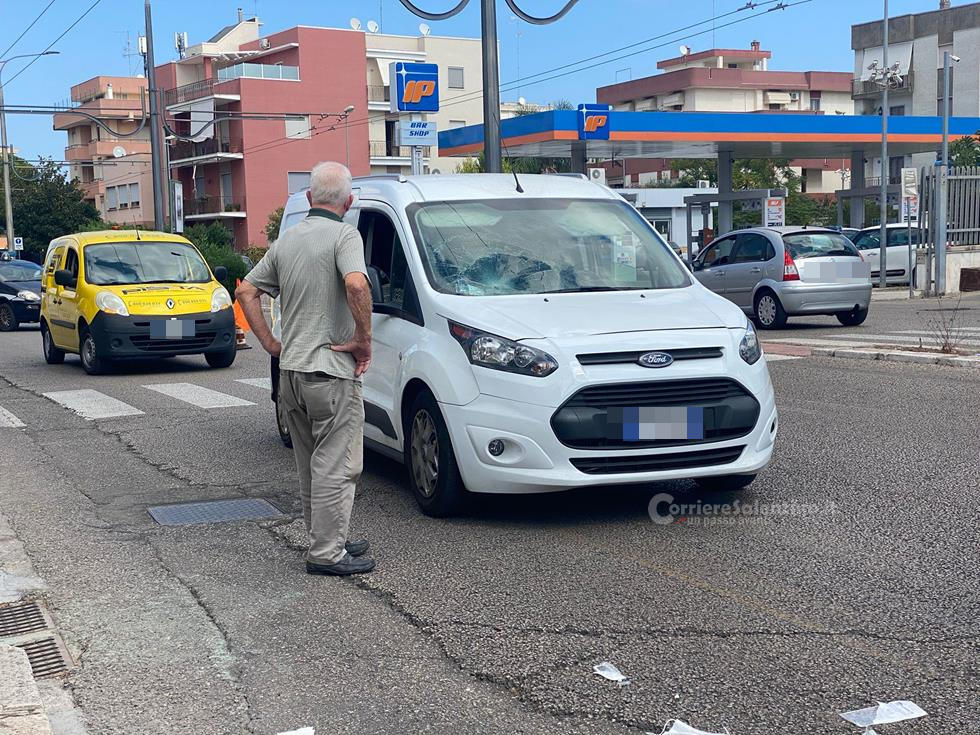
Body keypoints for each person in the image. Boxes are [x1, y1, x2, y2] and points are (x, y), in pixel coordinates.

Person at [236, 161, 375, 576]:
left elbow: (246, 291)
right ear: (349, 202)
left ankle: (326, 538)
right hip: (330, 372)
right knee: (338, 464)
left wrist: (270, 344)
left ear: (311, 198)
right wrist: (363, 340)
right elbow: (356, 284)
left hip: (291, 372)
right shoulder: (345, 236)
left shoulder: (287, 241)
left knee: (311, 463)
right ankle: (327, 553)